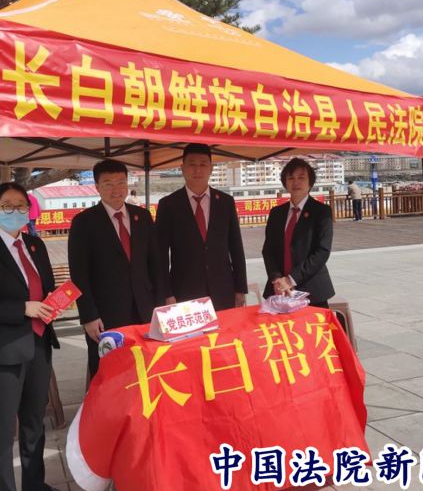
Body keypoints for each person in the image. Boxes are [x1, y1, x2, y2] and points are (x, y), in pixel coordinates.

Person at [0, 182, 68, 491]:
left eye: (21, 205)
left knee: (34, 421)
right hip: (4, 351)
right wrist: (24, 308)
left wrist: (55, 302)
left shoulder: (36, 245)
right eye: (7, 205)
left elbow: (45, 289)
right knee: (3, 428)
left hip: (39, 344)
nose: (15, 211)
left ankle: (34, 484)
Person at [68, 159, 165, 376]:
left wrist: (160, 306)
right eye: (108, 183)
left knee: (147, 368)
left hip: (145, 310)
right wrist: (88, 316)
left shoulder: (142, 217)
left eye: (121, 182)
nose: (116, 189)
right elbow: (79, 274)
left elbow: (156, 265)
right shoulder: (84, 222)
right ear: (97, 187)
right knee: (110, 373)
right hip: (105, 315)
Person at [155, 143, 247, 311]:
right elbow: (160, 255)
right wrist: (166, 293)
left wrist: (240, 288)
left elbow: (236, 248)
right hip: (183, 291)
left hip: (223, 290)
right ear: (182, 168)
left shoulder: (225, 202)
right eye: (192, 164)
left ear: (211, 168)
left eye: (203, 164)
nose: (197, 170)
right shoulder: (168, 205)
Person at [262, 158, 335, 308]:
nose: (296, 182)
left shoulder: (322, 212)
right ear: (285, 183)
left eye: (301, 177)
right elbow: (268, 250)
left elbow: (322, 252)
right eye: (291, 178)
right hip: (280, 291)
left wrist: (290, 279)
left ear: (310, 183)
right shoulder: (276, 213)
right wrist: (277, 279)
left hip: (312, 290)